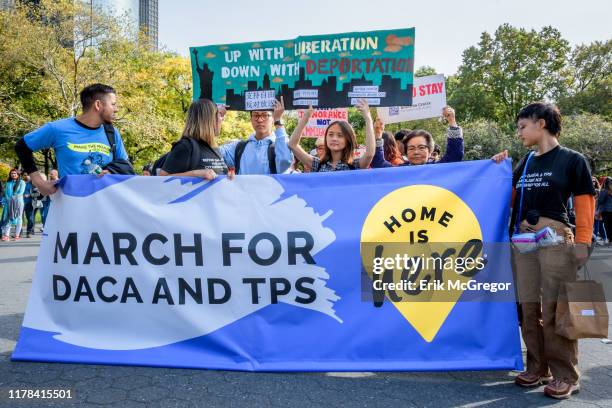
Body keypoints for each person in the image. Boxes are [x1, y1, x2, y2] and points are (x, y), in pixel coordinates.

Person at [492, 102, 595, 400]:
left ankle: (566, 375)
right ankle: (537, 368)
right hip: (523, 242)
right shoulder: (524, 162)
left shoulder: (572, 160)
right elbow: (504, 194)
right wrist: (498, 166)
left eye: (522, 126)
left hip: (556, 240)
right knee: (528, 308)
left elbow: (585, 201)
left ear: (542, 124)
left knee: (555, 308)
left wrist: (583, 243)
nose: (519, 132)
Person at [14, 83, 129, 196]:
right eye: (113, 104)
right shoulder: (57, 129)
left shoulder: (112, 133)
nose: (116, 109)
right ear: (98, 105)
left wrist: (111, 171)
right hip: (72, 204)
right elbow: (22, 147)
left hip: (105, 205)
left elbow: (125, 165)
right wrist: (39, 182)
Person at [288, 99, 375, 172]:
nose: (334, 138)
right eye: (330, 134)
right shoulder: (317, 164)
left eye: (340, 135)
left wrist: (368, 118)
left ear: (348, 140)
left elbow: (369, 154)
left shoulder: (354, 166)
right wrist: (306, 117)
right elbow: (292, 145)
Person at [160, 99, 232, 180]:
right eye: (219, 115)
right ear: (209, 119)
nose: (221, 119)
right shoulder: (185, 147)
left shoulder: (213, 147)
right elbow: (162, 180)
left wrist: (228, 175)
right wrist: (196, 173)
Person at [219, 97, 292, 175]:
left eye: (265, 115)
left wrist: (278, 121)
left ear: (273, 118)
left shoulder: (279, 146)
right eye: (256, 115)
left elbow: (284, 163)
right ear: (251, 118)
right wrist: (217, 116)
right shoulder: (238, 147)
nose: (260, 120)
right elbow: (212, 153)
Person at [372, 106, 464, 167]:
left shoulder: (437, 168)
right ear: (406, 151)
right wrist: (378, 134)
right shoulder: (400, 171)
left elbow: (455, 155)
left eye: (421, 147)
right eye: (411, 148)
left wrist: (452, 121)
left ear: (430, 150)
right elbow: (378, 164)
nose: (416, 152)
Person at [1, 169, 26, 241]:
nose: (13, 175)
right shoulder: (8, 182)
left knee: (19, 217)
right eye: (12, 173)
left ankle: (17, 235)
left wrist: (12, 197)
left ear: (18, 174)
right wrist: (7, 199)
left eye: (15, 173)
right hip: (9, 203)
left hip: (18, 202)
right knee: (8, 217)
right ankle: (6, 235)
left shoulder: (22, 182)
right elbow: (6, 193)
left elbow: (21, 192)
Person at [22, 173, 43, 238]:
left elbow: (39, 194)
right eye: (25, 175)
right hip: (24, 203)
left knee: (30, 218)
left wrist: (30, 195)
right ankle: (25, 231)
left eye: (28, 175)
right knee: (25, 218)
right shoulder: (23, 183)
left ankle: (29, 231)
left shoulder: (35, 184)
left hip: (32, 203)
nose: (27, 176)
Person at [597, 177, 612, 246]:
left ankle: (609, 240)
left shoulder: (604, 191)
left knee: (607, 226)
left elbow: (601, 200)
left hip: (606, 210)